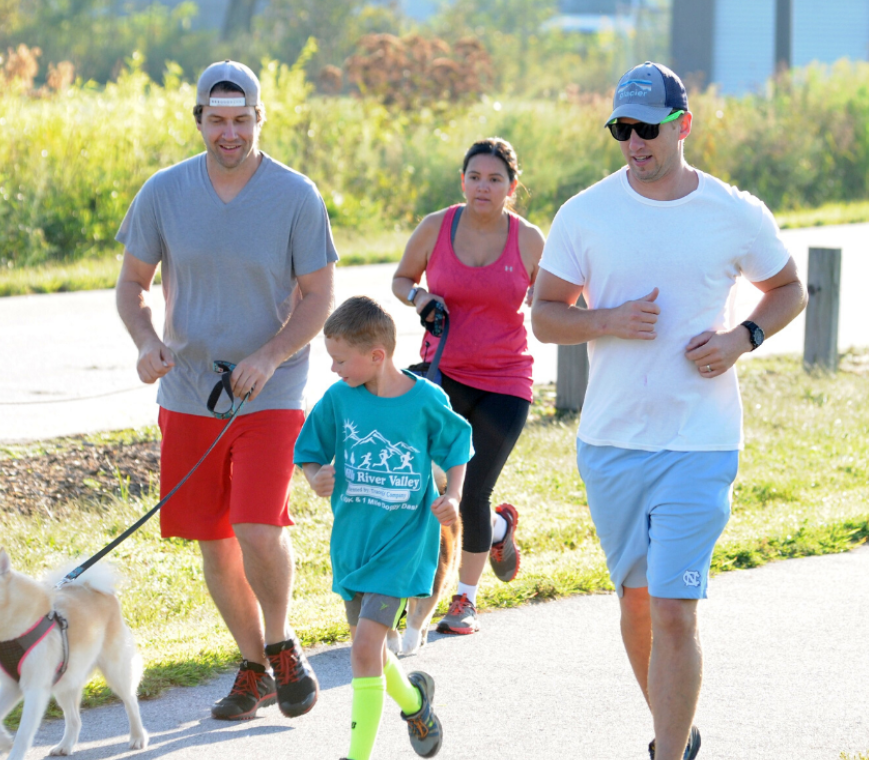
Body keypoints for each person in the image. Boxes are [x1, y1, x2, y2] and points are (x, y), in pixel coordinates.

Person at [530, 62, 807, 760]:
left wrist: (742, 338)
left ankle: (665, 752)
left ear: (682, 126)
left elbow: (789, 288)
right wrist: (609, 319)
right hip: (613, 442)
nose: (633, 142)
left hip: (700, 441)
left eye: (646, 128)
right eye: (621, 129)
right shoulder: (585, 213)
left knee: (676, 609)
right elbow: (545, 316)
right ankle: (675, 735)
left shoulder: (732, 212)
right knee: (637, 605)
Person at [114, 60, 336, 721]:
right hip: (188, 392)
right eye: (218, 120)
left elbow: (320, 295)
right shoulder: (164, 192)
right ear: (200, 121)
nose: (230, 133)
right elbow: (132, 286)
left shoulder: (296, 195)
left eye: (242, 120)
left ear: (259, 119)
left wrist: (271, 355)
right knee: (215, 539)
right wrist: (146, 344)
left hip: (270, 388)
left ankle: (281, 641)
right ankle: (258, 664)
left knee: (255, 523)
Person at [294, 296, 473, 760]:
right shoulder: (339, 400)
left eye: (339, 359)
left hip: (403, 546)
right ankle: (416, 705)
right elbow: (308, 450)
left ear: (377, 356)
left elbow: (457, 446)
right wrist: (316, 477)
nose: (333, 370)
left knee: (365, 647)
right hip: (355, 543)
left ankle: (356, 756)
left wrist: (451, 496)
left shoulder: (427, 401)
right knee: (368, 649)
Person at [391, 137, 544, 635]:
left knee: (473, 490)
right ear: (463, 180)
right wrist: (420, 298)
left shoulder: (528, 241)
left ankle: (465, 599)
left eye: (495, 179)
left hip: (506, 382)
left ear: (511, 187)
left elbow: (558, 298)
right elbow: (400, 279)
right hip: (443, 375)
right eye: (475, 177)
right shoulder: (437, 227)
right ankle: (497, 531)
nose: (484, 186)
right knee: (424, 484)